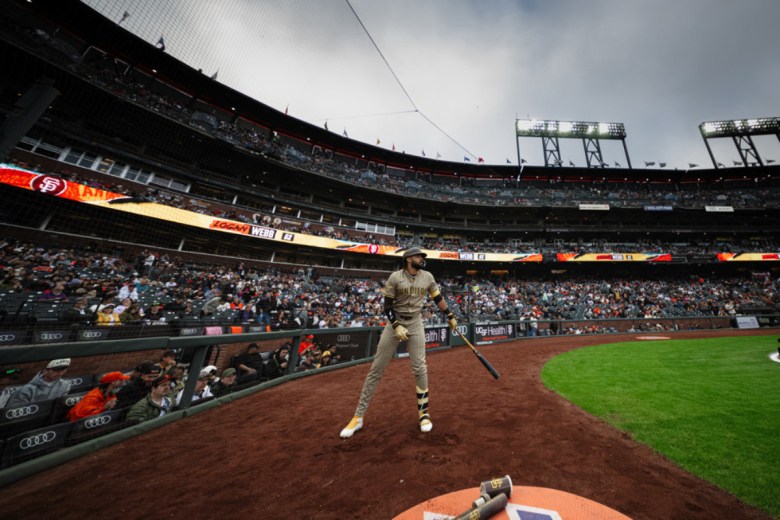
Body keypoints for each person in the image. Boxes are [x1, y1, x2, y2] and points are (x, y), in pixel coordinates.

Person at [340, 248, 457, 438]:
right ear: (409, 259)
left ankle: (424, 414)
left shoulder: (427, 276)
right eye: (419, 256)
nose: (422, 259)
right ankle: (358, 416)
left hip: (416, 322)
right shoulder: (395, 277)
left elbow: (438, 299)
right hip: (395, 323)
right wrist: (395, 326)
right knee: (376, 369)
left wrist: (450, 315)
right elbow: (387, 306)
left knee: (420, 368)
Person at [7, 358, 72, 406]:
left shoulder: (65, 385)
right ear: (44, 370)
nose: (60, 372)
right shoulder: (26, 390)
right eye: (56, 370)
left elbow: (60, 406)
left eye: (63, 369)